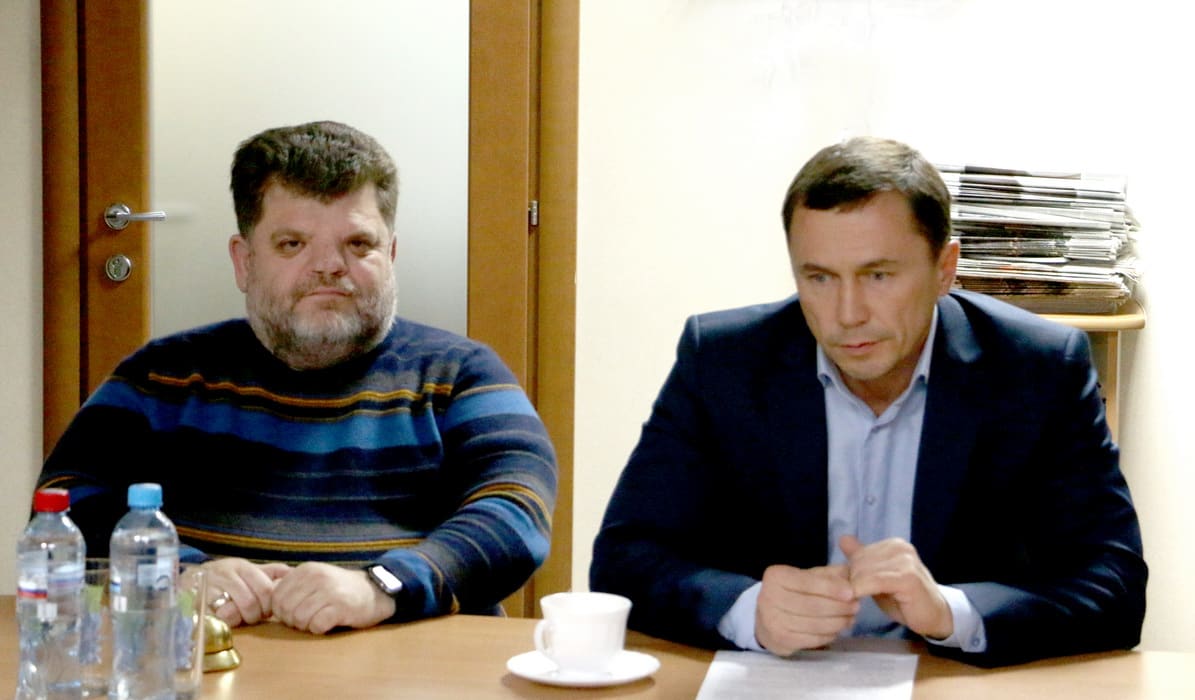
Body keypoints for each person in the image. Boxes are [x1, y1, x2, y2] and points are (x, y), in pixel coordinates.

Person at [590, 136, 1146, 667]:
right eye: (820, 278)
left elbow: (1114, 586)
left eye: (878, 275)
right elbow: (622, 560)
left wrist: (951, 612)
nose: (848, 313)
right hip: (778, 681)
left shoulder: (1037, 369)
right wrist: (747, 610)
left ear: (945, 269)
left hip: (950, 681)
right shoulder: (723, 362)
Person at [37, 120, 557, 635]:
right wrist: (179, 576)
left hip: (411, 664)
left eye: (358, 243)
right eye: (292, 244)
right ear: (244, 261)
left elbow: (518, 510)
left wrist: (382, 587)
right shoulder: (160, 377)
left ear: (391, 255)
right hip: (212, 663)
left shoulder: (461, 375)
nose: (328, 266)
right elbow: (64, 503)